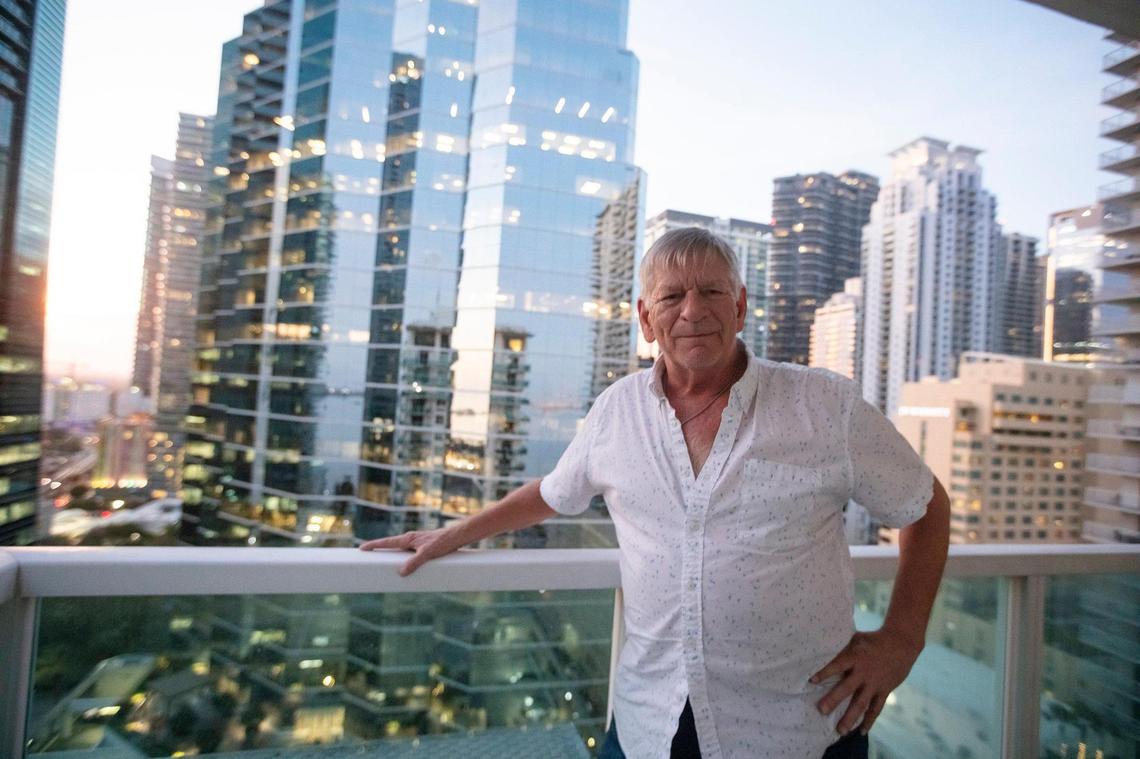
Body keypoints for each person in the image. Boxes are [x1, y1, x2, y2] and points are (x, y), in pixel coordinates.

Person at [361, 227, 950, 759]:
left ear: (741, 306)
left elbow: (924, 506)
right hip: (648, 727)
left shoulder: (823, 406)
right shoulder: (616, 412)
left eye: (712, 292)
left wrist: (901, 638)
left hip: (800, 729)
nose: (692, 311)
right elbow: (554, 491)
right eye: (672, 297)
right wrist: (455, 532)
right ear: (646, 320)